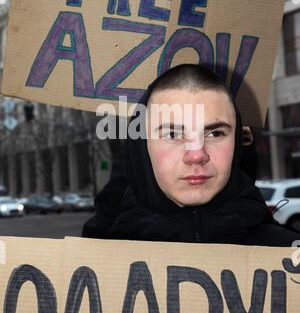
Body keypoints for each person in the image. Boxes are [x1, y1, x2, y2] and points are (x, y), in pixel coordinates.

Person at [99, 63, 300, 247]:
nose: (196, 155)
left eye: (215, 133)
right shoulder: (93, 267)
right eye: (172, 134)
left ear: (238, 143)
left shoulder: (288, 258)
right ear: (142, 146)